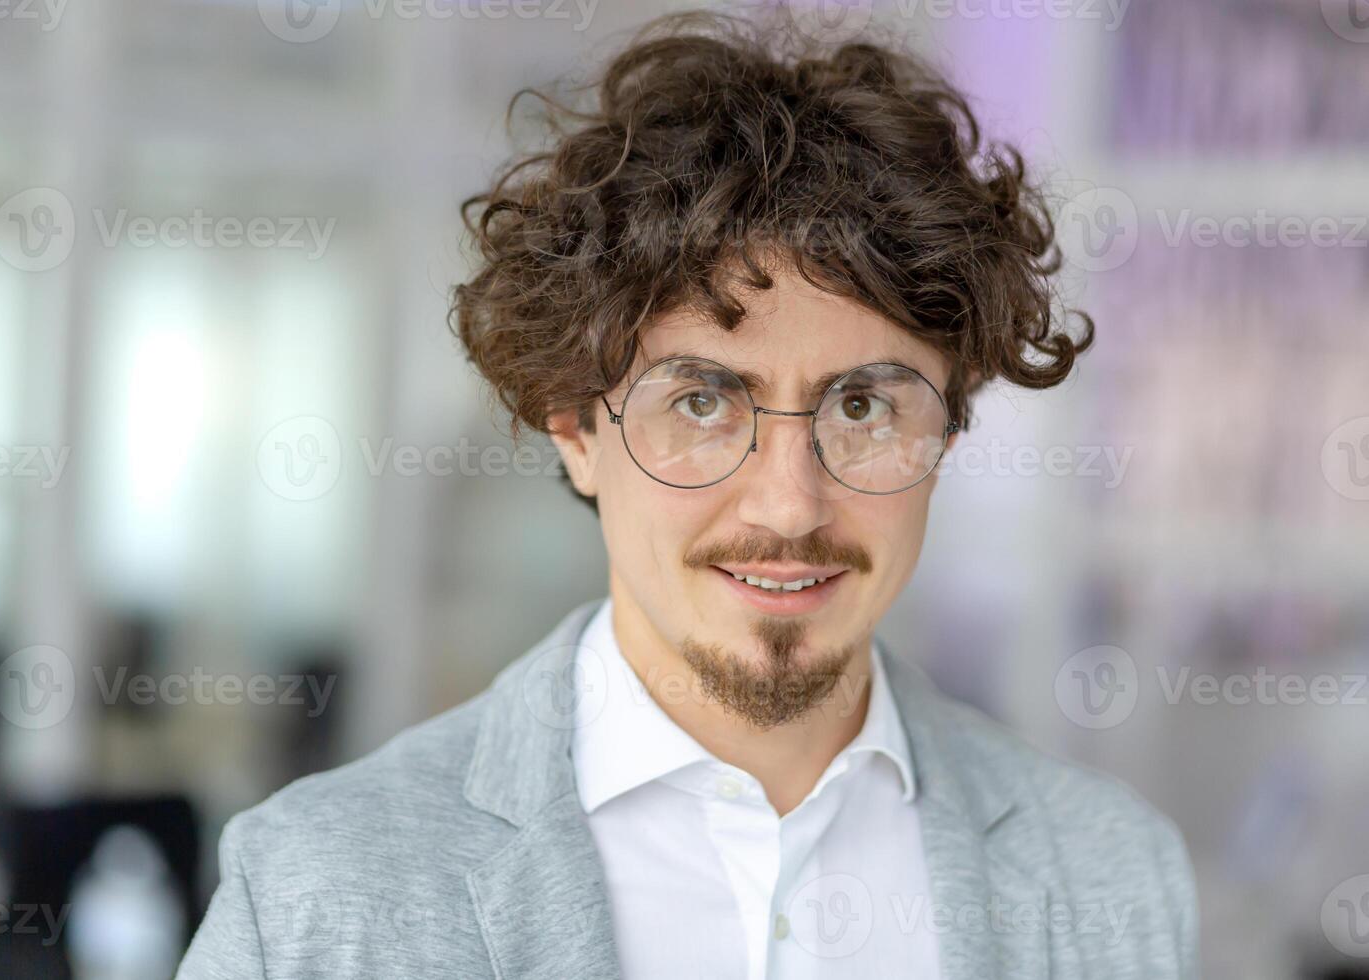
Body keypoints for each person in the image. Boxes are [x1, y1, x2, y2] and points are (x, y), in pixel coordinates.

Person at [177, 9, 1199, 978]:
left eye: (863, 406)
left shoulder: (1111, 875)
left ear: (950, 422)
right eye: (705, 401)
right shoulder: (319, 892)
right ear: (575, 426)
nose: (790, 506)